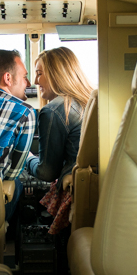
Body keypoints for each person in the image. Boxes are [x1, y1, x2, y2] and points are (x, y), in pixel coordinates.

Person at [25, 47, 93, 234]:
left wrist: (27, 159)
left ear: (56, 74)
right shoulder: (89, 101)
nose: (35, 81)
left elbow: (47, 172)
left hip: (75, 186)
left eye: (39, 74)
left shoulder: (53, 110)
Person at [0, 48, 35, 220]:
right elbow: (14, 171)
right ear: (8, 78)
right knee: (16, 183)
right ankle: (3, 229)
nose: (28, 83)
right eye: (24, 77)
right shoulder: (24, 111)